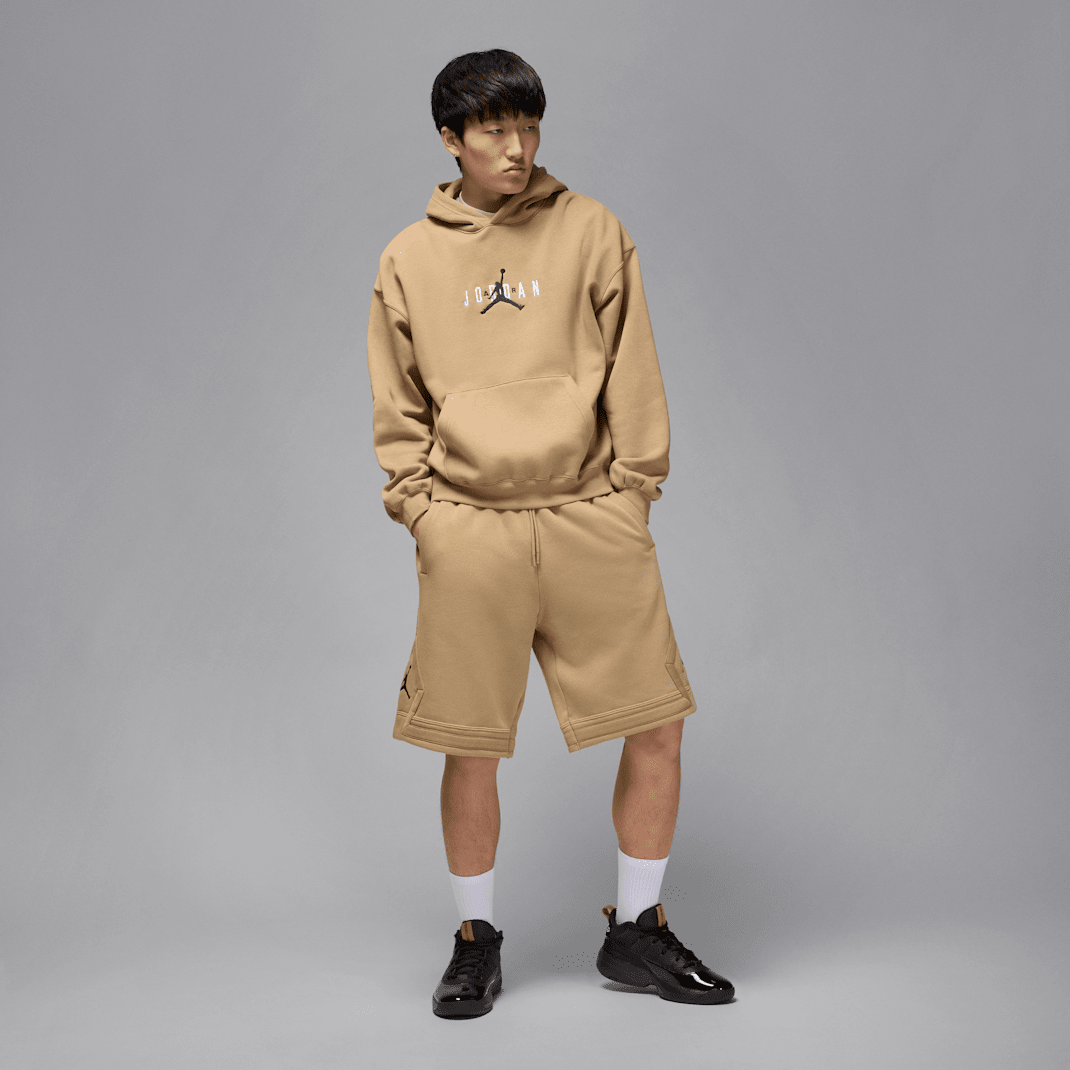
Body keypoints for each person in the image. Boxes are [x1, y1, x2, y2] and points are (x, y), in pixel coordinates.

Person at [366, 48, 734, 1019]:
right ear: (450, 139)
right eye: (493, 131)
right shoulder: (408, 257)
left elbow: (633, 366)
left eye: (528, 128)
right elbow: (397, 405)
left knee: (658, 722)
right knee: (471, 741)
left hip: (589, 517)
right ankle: (474, 941)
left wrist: (632, 492)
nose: (516, 148)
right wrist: (422, 510)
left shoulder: (592, 230)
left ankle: (638, 929)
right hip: (468, 527)